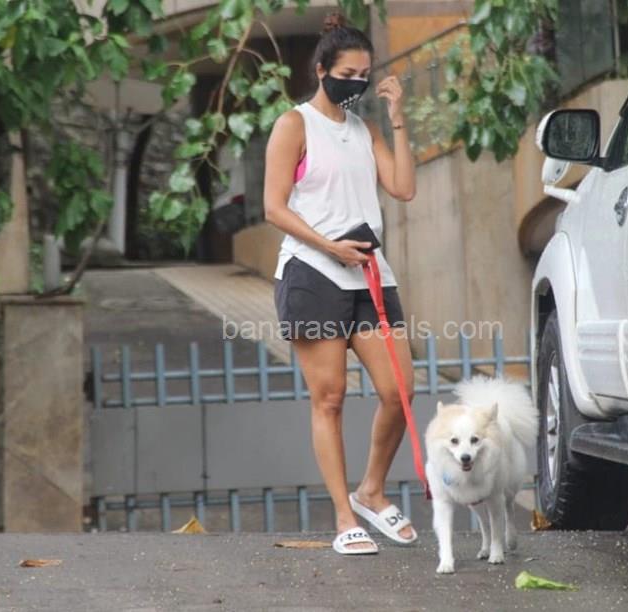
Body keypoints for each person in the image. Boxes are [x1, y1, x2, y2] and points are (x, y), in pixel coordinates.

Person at [263, 11, 417, 555]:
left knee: (400, 391)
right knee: (329, 398)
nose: (356, 84)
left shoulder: (365, 130)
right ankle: (344, 517)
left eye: (364, 76)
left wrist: (397, 118)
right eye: (347, 74)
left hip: (370, 275)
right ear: (321, 70)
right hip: (313, 274)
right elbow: (274, 207)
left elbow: (403, 188)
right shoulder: (294, 125)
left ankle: (372, 490)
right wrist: (329, 246)